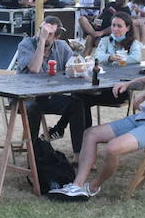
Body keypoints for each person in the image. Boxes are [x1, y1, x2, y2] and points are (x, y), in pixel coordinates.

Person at [52, 16, 145, 200]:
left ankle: (93, 187)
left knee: (113, 148)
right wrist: (128, 85)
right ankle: (77, 186)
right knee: (91, 134)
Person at [9, 15, 90, 152]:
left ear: (56, 37)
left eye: (49, 34)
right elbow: (34, 69)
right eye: (42, 30)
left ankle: (78, 155)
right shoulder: (26, 44)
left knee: (77, 104)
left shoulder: (61, 46)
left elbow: (75, 68)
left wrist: (82, 64)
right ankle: (33, 158)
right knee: (34, 109)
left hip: (47, 96)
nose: (44, 34)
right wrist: (41, 41)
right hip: (24, 98)